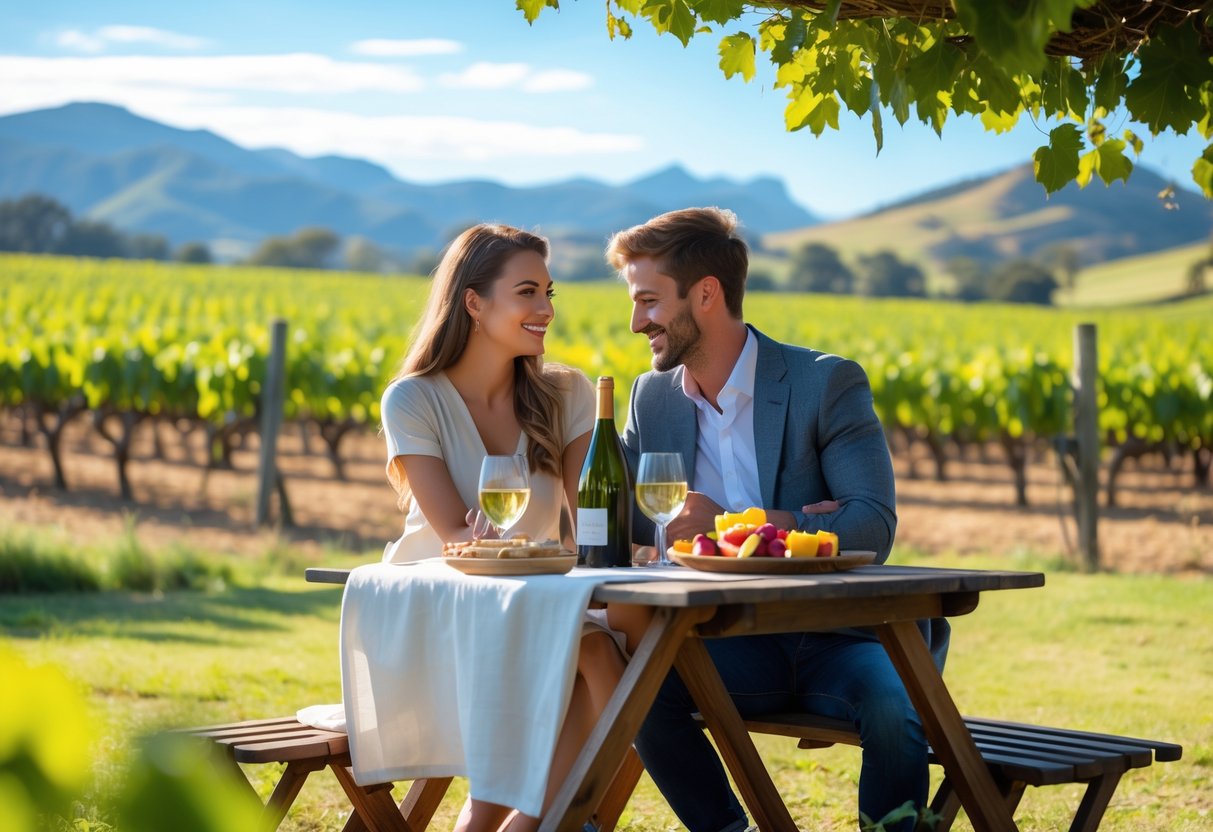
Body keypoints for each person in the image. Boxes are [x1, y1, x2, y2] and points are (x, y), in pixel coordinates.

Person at [608, 207, 939, 832]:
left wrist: (733, 523)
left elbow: (870, 525)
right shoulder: (650, 398)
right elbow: (623, 518)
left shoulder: (824, 383)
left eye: (648, 301)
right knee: (636, 689)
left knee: (896, 708)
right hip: (726, 644)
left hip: (838, 640)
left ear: (706, 294)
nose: (636, 322)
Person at [378, 223, 628, 832]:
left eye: (548, 293)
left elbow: (591, 519)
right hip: (440, 604)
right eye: (526, 292)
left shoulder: (564, 392)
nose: (545, 310)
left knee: (614, 651)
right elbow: (458, 538)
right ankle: (555, 821)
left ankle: (523, 824)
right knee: (601, 656)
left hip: (534, 604)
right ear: (473, 301)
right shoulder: (412, 400)